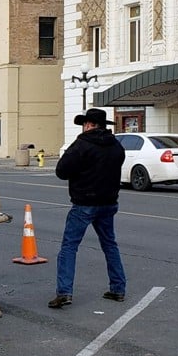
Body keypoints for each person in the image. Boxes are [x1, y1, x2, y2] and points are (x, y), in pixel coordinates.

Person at [49, 108, 127, 308]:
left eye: (85, 124)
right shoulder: (116, 146)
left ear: (89, 125)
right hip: (108, 203)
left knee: (69, 247)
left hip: (84, 203)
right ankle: (118, 288)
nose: (84, 127)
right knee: (110, 244)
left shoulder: (82, 144)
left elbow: (61, 171)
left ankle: (64, 292)